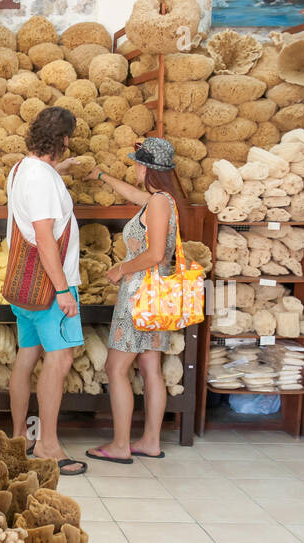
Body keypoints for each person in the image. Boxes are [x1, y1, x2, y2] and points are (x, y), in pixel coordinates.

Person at [83, 138, 182, 464]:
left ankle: (121, 445)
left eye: (138, 163)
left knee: (115, 367)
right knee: (150, 366)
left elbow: (153, 253)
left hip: (139, 294)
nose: (135, 168)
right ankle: (151, 441)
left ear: (148, 167)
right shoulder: (161, 200)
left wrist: (119, 269)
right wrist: (101, 176)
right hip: (159, 296)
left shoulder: (157, 204)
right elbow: (133, 195)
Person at [5, 106, 87, 477]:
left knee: (27, 356)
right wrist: (63, 290)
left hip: (24, 285)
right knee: (60, 360)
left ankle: (19, 436)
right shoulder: (41, 180)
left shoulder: (24, 169)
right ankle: (48, 445)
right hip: (50, 286)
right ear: (65, 140)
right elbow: (44, 237)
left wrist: (62, 172)